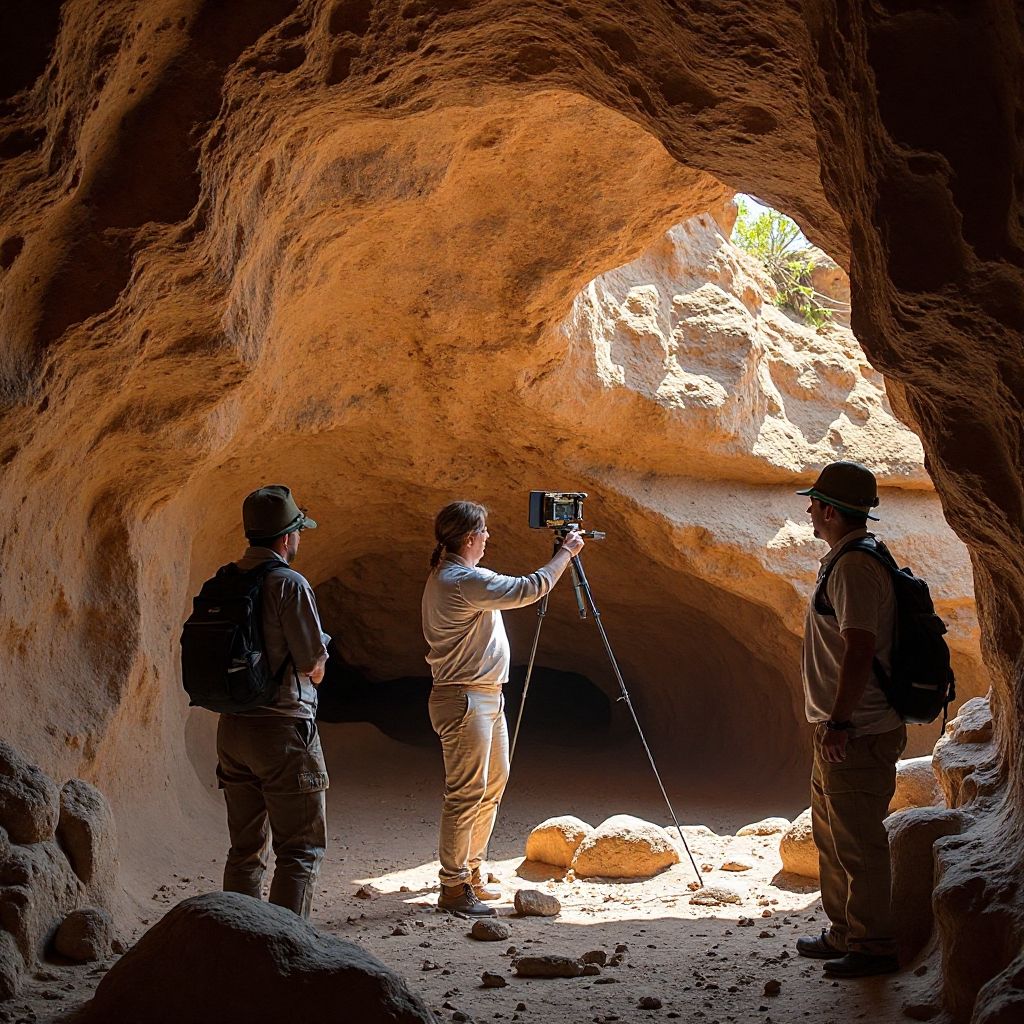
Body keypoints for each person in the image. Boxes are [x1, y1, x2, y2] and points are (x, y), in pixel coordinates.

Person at [422, 500, 584, 916]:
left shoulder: (459, 576)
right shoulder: (460, 580)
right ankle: (454, 888)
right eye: (485, 531)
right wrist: (565, 553)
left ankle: (471, 871)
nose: (489, 537)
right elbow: (528, 589)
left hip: (485, 696)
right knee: (466, 794)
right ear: (471, 537)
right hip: (465, 698)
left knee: (491, 788)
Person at [795, 461, 906, 978]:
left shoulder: (856, 567)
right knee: (833, 835)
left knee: (859, 841)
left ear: (833, 512)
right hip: (840, 730)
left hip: (856, 732)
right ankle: (846, 932)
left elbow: (859, 647)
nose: (810, 510)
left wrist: (839, 723)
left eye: (816, 503)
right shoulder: (843, 560)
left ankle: (874, 945)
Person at [215, 484, 331, 919]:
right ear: (287, 537)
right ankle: (284, 953)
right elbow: (311, 665)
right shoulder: (289, 584)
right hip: (282, 730)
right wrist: (321, 653)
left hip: (232, 729)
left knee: (245, 850)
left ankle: (239, 941)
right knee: (299, 850)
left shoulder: (225, 579)